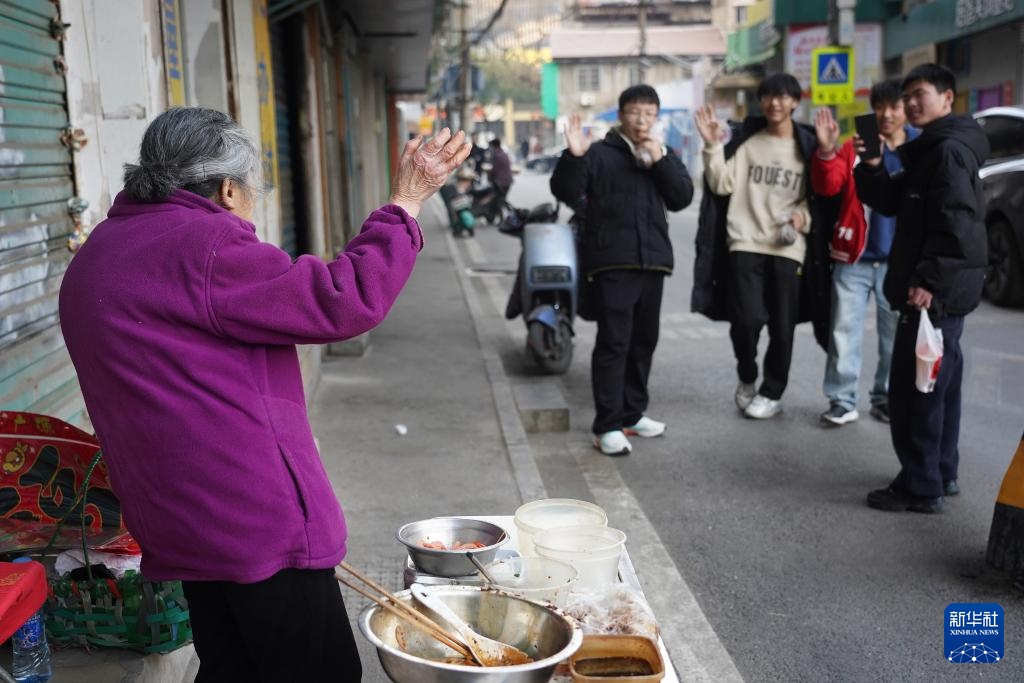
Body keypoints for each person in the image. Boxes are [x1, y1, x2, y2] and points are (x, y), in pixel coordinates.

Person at [58, 107, 471, 680]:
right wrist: (404, 205)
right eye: (253, 191)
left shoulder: (97, 255)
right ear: (228, 189)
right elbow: (342, 298)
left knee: (234, 666)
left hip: (176, 519)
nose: (252, 207)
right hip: (252, 525)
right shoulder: (205, 247)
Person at [854, 64, 988, 513]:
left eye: (920, 94)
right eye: (906, 95)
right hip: (945, 289)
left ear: (947, 98)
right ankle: (940, 473)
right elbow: (892, 202)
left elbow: (956, 222)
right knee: (939, 386)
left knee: (915, 393)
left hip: (934, 291)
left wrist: (928, 280)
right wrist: (872, 166)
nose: (911, 103)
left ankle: (920, 485)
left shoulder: (946, 150)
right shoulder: (930, 148)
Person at [550, 85, 693, 456]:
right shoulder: (598, 154)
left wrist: (659, 159)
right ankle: (607, 424)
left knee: (644, 341)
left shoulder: (662, 154)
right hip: (612, 261)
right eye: (634, 112)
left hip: (654, 262)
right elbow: (565, 190)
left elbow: (682, 197)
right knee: (615, 342)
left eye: (649, 113)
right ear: (621, 115)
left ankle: (632, 413)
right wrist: (574, 156)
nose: (641, 119)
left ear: (656, 118)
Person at [693, 73, 835, 420]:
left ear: (794, 103)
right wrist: (712, 145)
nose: (775, 103)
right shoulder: (748, 143)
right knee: (746, 319)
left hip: (788, 247)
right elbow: (721, 184)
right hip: (744, 241)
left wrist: (803, 218)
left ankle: (772, 392)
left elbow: (816, 197)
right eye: (768, 96)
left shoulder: (807, 146)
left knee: (782, 325)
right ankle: (747, 375)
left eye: (783, 97)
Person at [812, 79, 918, 426]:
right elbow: (829, 187)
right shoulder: (856, 144)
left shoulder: (919, 146)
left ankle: (885, 395)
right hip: (854, 255)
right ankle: (842, 400)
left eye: (895, 106)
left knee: (895, 335)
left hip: (899, 259)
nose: (886, 114)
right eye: (880, 107)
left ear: (905, 109)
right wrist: (827, 152)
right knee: (843, 331)